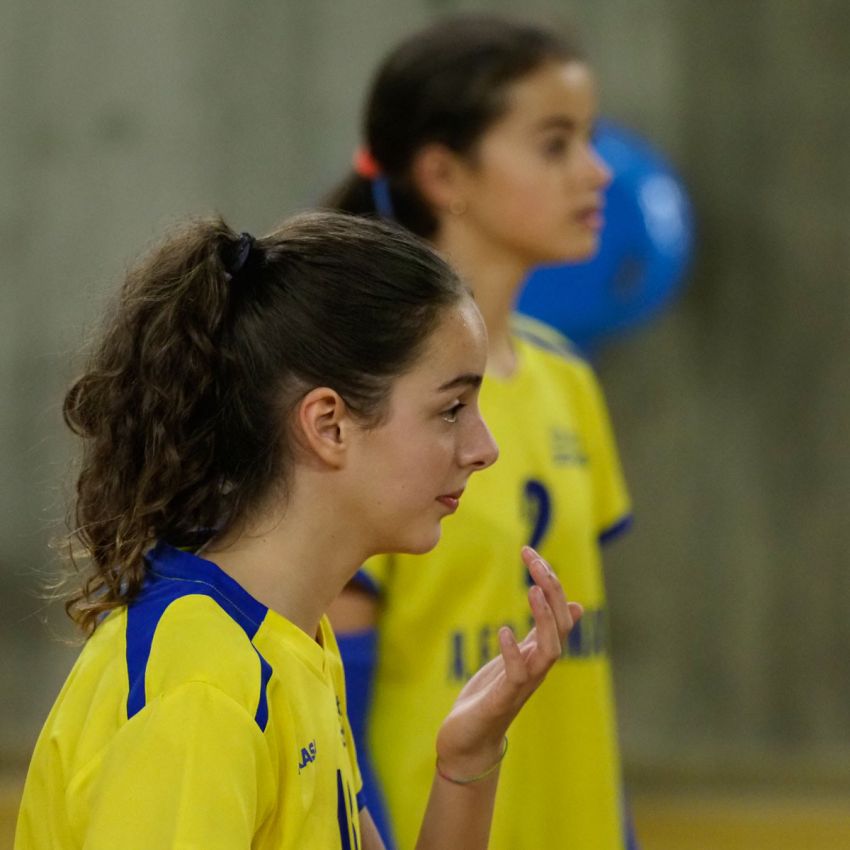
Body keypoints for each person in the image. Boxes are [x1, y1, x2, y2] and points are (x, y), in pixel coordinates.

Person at [14, 211, 582, 850]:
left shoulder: (294, 639)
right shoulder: (203, 688)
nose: (485, 448)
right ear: (328, 424)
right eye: (451, 409)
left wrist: (467, 762)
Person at [325, 14, 635, 850]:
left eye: (590, 139)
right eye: (555, 143)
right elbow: (333, 706)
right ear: (442, 173)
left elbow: (580, 679)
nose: (598, 171)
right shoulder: (369, 390)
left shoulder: (568, 379)